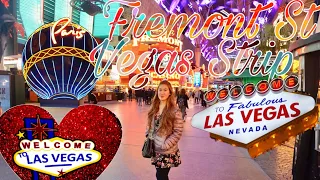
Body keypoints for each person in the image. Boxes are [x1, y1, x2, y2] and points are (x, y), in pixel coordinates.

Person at [146, 80, 184, 180]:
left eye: (165, 90)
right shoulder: (154, 108)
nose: (162, 93)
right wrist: (148, 135)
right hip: (155, 148)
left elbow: (178, 132)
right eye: (160, 90)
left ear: (170, 92)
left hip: (167, 150)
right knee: (160, 175)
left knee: (161, 176)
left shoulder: (174, 110)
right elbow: (149, 125)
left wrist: (165, 145)